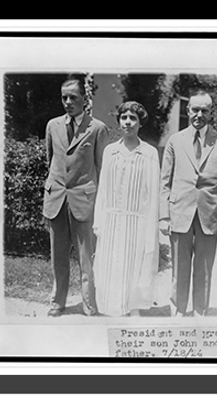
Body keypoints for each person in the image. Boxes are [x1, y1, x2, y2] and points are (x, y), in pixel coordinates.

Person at [159, 90, 217, 317]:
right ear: (188, 111)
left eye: (204, 110)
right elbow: (164, 182)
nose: (199, 114)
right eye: (195, 109)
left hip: (210, 213)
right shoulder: (174, 141)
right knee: (179, 268)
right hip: (179, 212)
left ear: (211, 113)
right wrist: (163, 216)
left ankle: (199, 314)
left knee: (205, 269)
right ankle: (177, 312)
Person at [43, 76, 110, 317]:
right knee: (58, 257)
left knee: (86, 259)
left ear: (85, 98)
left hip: (84, 201)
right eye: (64, 98)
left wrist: (101, 206)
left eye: (73, 97)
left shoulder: (98, 128)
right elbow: (51, 160)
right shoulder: (52, 126)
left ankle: (89, 304)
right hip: (57, 200)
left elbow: (102, 169)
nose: (68, 102)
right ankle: (57, 302)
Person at [93, 101, 160, 317]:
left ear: (140, 124)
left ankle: (133, 308)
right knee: (111, 261)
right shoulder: (110, 151)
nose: (128, 122)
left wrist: (152, 225)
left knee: (133, 263)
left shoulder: (149, 153)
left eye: (133, 119)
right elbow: (103, 188)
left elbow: (152, 193)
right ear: (119, 121)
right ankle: (110, 307)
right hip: (112, 217)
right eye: (124, 118)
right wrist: (99, 219)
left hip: (136, 220)